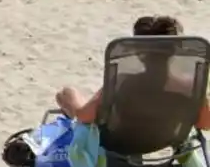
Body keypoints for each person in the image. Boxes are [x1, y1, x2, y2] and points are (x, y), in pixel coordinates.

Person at [55, 15, 210, 132]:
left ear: (137, 50)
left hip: (122, 145)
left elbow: (85, 116)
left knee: (67, 93)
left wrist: (72, 100)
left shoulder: (123, 82)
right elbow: (205, 123)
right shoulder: (190, 86)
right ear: (176, 50)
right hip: (165, 140)